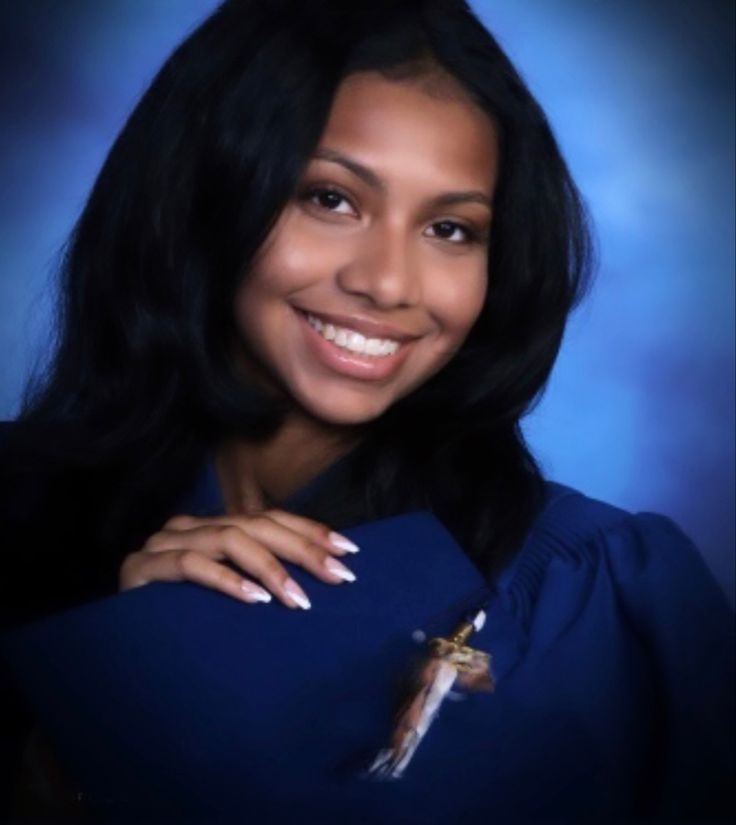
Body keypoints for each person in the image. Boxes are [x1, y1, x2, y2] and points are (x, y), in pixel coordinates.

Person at [0, 0, 732, 822]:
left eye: (451, 228)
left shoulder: (591, 597)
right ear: (202, 193)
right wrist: (117, 682)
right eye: (331, 199)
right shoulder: (13, 519)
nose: (388, 282)